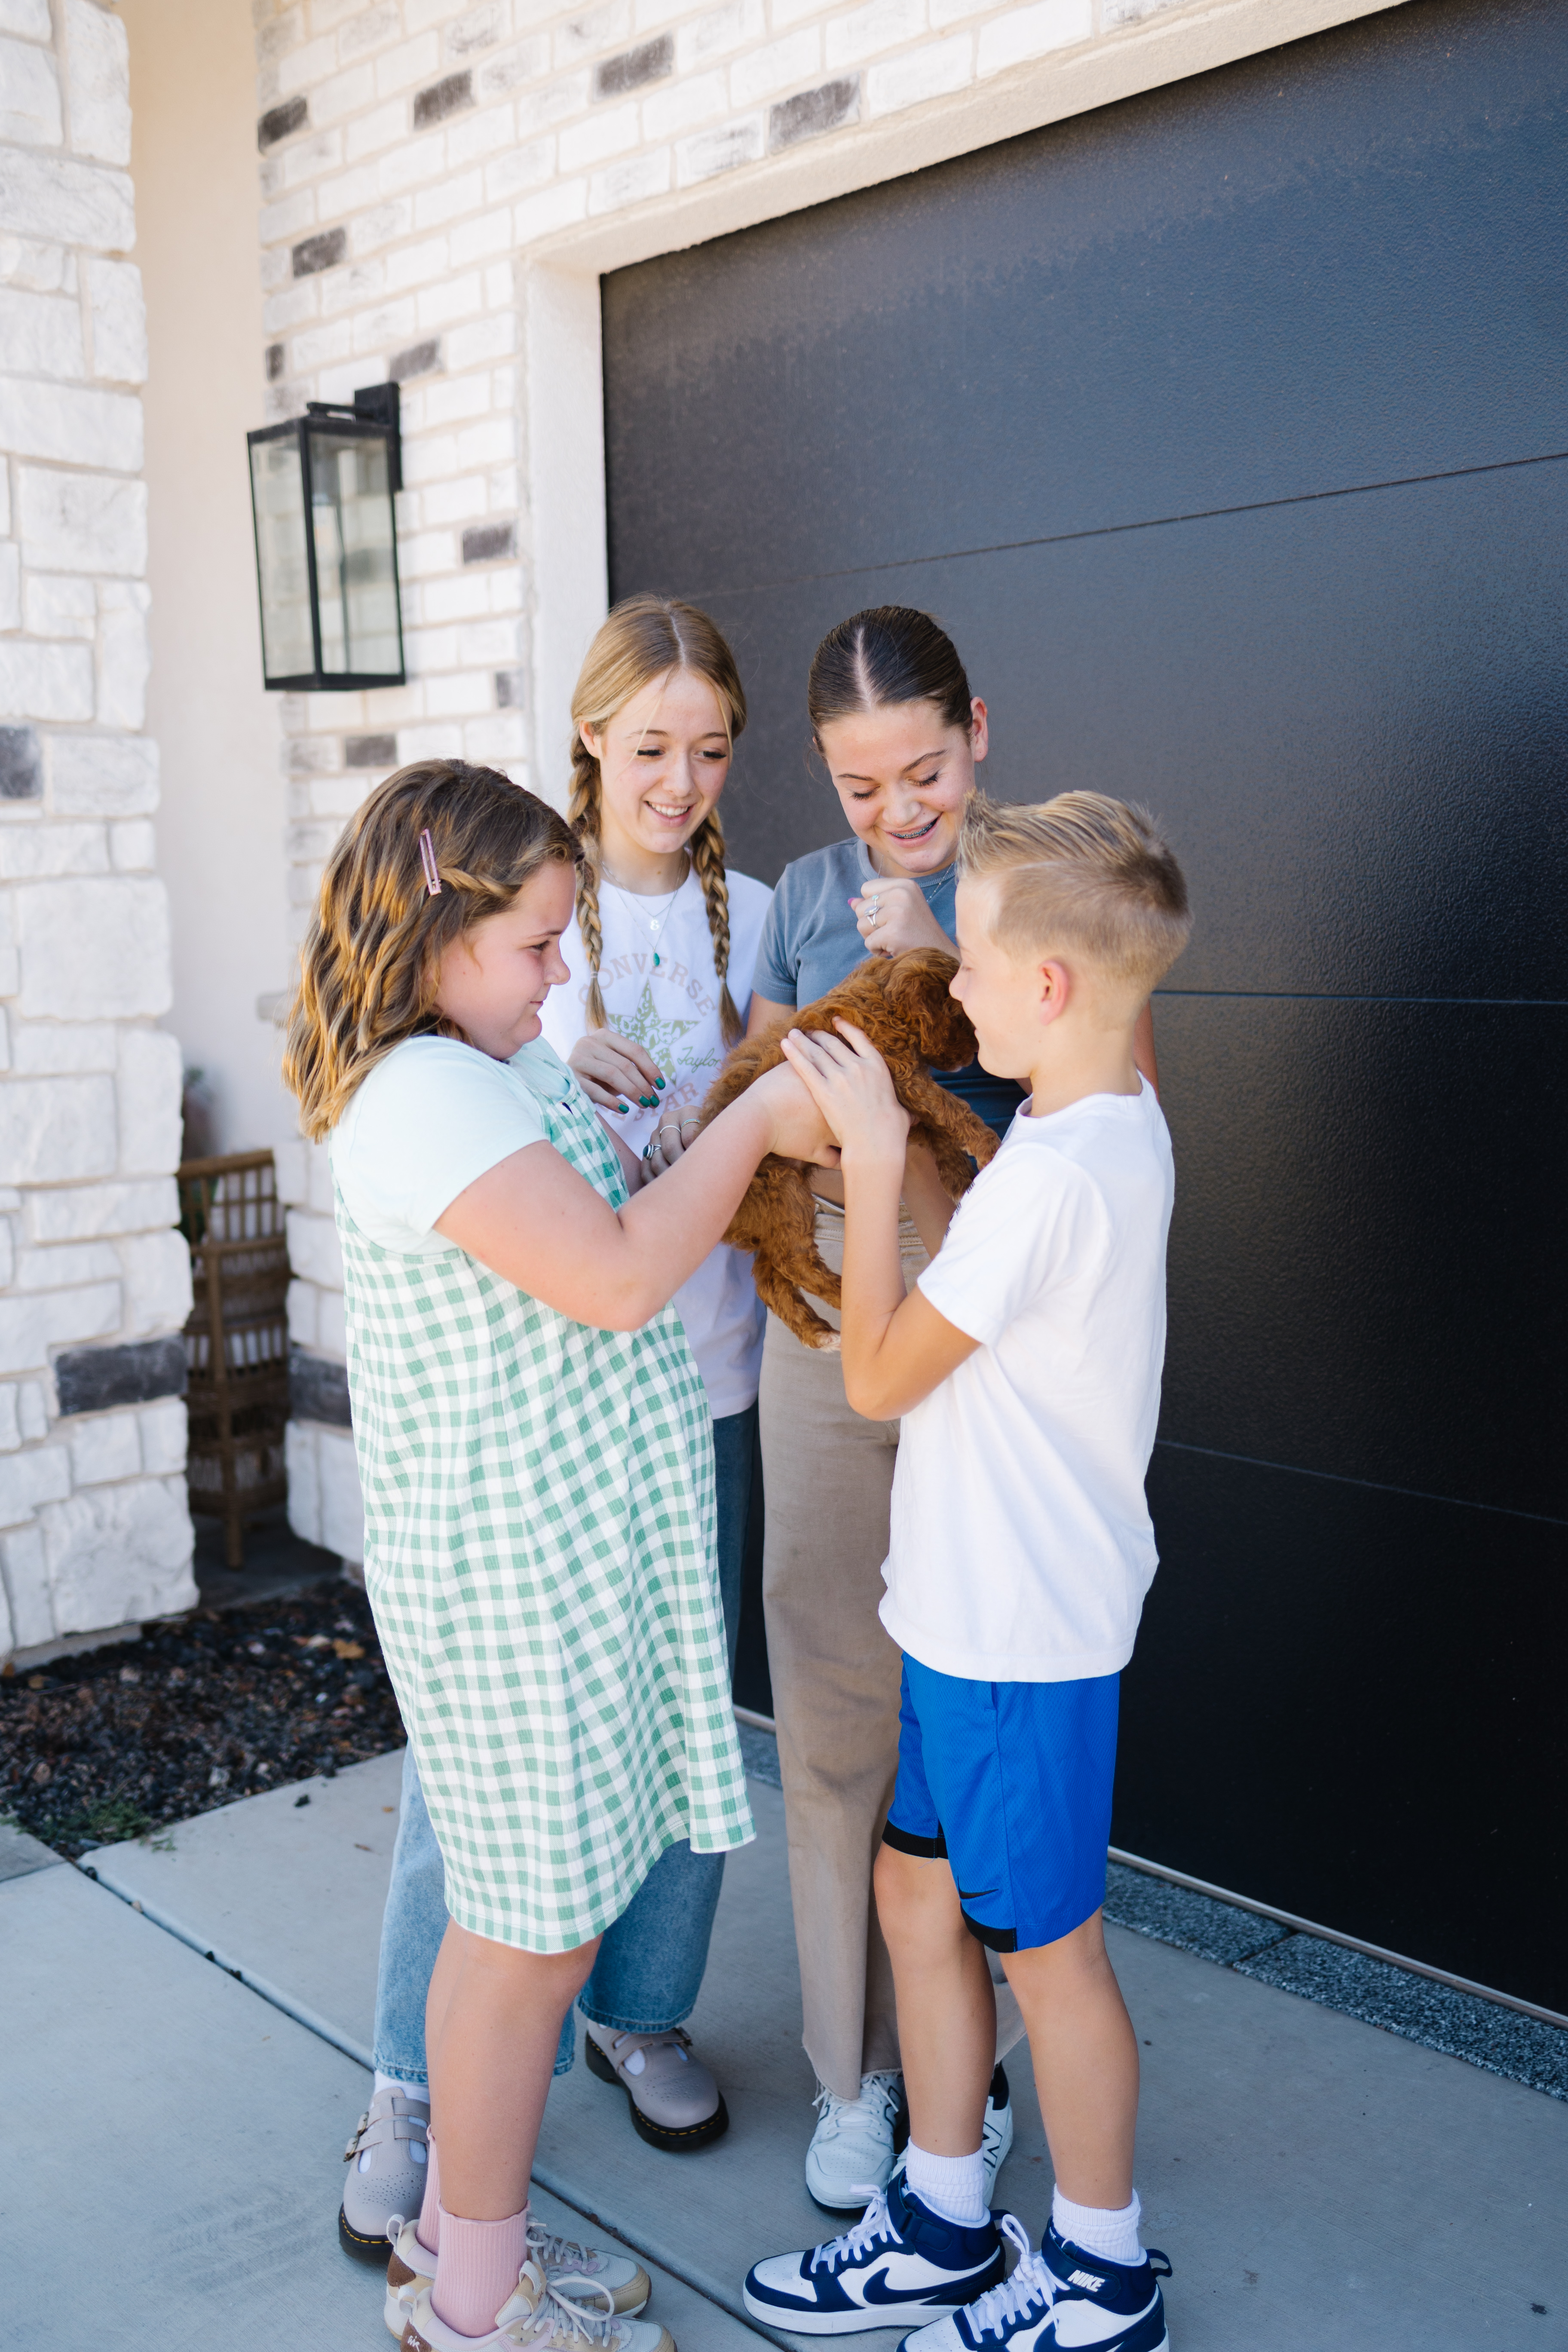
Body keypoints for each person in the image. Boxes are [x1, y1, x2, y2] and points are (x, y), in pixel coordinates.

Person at [284, 760, 831, 2352]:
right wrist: (763, 1126)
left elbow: (591, 1223)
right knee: (530, 1943)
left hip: (558, 1566)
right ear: (438, 929)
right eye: (536, 947)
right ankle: (477, 2308)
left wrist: (673, 1122)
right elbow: (605, 1281)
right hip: (511, 1583)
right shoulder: (423, 1096)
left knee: (520, 1929)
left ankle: (474, 2249)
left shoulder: (487, 1063)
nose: (556, 978)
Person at [341, 603, 771, 2257]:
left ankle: (626, 2023)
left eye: (710, 749)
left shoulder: (748, 918)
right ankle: (419, 2093)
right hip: (538, 1469)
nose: (680, 777)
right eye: (649, 742)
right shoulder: (504, 973)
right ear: (590, 735)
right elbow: (583, 1263)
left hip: (685, 1395)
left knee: (673, 1729)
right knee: (497, 1817)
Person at [744, 791, 1187, 2352]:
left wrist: (869, 1151)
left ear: (1052, 989)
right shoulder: (1108, 1122)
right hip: (964, 1619)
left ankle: (1102, 2269)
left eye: (976, 964)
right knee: (913, 1894)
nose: (954, 988)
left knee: (1051, 1962)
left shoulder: (1056, 1181)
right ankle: (941, 2215)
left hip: (1014, 1641)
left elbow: (874, 1376)